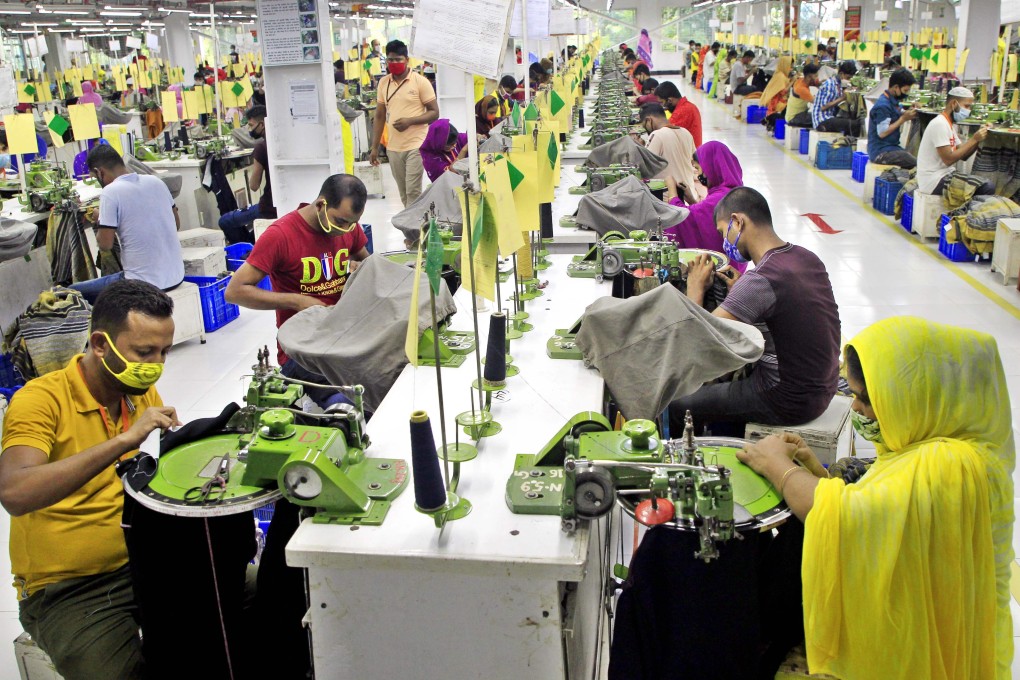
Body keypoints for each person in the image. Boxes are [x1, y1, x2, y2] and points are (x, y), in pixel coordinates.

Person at [738, 317, 1014, 680]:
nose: (855, 408)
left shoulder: (955, 466)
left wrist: (776, 466)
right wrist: (810, 468)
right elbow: (881, 510)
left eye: (865, 398)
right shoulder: (929, 445)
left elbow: (854, 517)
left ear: (916, 395)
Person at [0, 280, 179, 680]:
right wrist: (126, 441)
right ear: (100, 344)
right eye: (144, 352)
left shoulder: (137, 388)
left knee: (262, 592)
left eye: (164, 352)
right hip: (69, 590)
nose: (156, 364)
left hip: (143, 556)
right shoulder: (39, 400)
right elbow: (15, 492)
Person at [672, 186, 840, 431]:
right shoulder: (805, 257)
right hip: (824, 386)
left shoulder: (760, 280)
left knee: (678, 406)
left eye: (723, 232)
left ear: (737, 222)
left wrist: (695, 288)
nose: (724, 242)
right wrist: (739, 293)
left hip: (787, 398)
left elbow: (700, 340)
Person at [224, 174, 370, 406]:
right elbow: (235, 291)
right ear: (321, 204)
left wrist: (360, 268)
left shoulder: (348, 227)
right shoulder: (281, 235)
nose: (345, 230)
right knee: (347, 402)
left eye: (351, 224)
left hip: (343, 334)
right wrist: (297, 301)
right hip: (303, 347)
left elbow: (367, 264)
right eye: (340, 222)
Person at [71, 146, 183, 304]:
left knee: (71, 292)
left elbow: (105, 244)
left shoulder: (110, 192)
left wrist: (101, 219)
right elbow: (176, 224)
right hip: (176, 276)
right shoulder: (156, 182)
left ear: (99, 172)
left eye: (95, 176)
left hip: (141, 284)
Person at [369, 40, 439, 207]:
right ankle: (416, 228)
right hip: (393, 148)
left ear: (407, 59)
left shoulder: (420, 82)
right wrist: (374, 147)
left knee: (412, 192)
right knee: (403, 193)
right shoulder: (384, 83)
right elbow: (379, 116)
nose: (394, 63)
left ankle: (413, 232)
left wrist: (410, 121)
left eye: (398, 59)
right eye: (390, 60)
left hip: (416, 144)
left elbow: (434, 112)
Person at [663, 141, 743, 268]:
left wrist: (672, 193)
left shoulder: (719, 198)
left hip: (723, 268)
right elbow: (708, 219)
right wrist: (693, 201)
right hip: (735, 265)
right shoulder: (734, 191)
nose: (699, 175)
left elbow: (684, 219)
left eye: (698, 169)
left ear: (711, 167)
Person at [916, 86, 994, 197]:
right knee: (987, 187)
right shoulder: (939, 124)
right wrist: (974, 139)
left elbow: (964, 155)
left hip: (944, 175)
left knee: (983, 184)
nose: (968, 111)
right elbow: (948, 159)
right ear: (953, 104)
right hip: (933, 181)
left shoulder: (948, 124)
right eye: (966, 106)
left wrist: (979, 138)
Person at [217, 106, 274, 244]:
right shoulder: (280, 143)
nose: (249, 129)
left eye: (251, 125)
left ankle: (247, 249)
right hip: (283, 206)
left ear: (262, 124)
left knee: (225, 221)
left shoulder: (261, 148)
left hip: (267, 208)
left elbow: (254, 186)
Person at [639, 103, 705, 204]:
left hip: (668, 199)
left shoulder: (656, 135)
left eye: (645, 126)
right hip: (689, 195)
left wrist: (638, 147)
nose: (646, 129)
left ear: (649, 120)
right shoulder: (686, 132)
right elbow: (694, 163)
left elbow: (644, 169)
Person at [867, 68, 919, 169]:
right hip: (880, 152)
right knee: (916, 163)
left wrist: (910, 110)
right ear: (896, 87)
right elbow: (882, 133)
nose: (906, 94)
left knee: (911, 157)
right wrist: (903, 119)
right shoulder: (883, 106)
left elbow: (898, 112)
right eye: (905, 90)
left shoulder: (892, 101)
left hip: (891, 147)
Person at [812, 60, 861, 135]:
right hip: (822, 120)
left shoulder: (839, 85)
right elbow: (823, 107)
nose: (848, 80)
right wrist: (841, 98)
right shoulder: (830, 84)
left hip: (830, 117)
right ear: (841, 74)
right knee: (854, 124)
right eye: (848, 77)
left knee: (852, 120)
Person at [654, 81, 703, 148]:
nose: (663, 106)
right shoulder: (688, 105)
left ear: (669, 100)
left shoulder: (682, 111)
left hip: (689, 155)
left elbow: (663, 133)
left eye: (662, 102)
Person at [760, 56, 793, 131]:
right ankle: (771, 121)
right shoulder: (780, 76)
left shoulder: (781, 75)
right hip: (777, 104)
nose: (791, 68)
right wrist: (792, 81)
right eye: (790, 66)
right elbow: (783, 92)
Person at [785, 63, 818, 128]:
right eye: (816, 76)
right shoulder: (802, 89)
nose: (817, 78)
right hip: (794, 118)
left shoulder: (800, 81)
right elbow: (817, 102)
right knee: (820, 118)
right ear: (809, 77)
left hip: (794, 115)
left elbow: (817, 83)